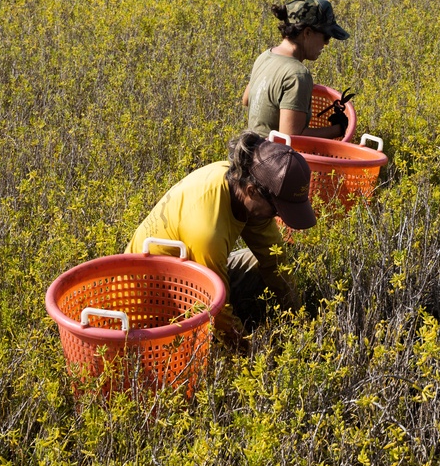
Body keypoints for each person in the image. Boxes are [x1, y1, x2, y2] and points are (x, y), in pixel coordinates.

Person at [126, 131, 316, 350]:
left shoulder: (241, 184)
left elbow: (275, 261)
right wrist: (254, 355)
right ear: (252, 191)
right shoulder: (207, 230)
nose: (278, 217)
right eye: (276, 209)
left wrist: (301, 323)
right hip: (155, 303)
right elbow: (216, 310)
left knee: (263, 261)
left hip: (192, 277)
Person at [242, 0, 350, 138]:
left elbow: (246, 100)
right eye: (326, 36)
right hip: (274, 157)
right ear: (307, 33)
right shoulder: (297, 75)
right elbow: (292, 137)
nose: (326, 43)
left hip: (250, 151)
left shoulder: (264, 57)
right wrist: (340, 129)